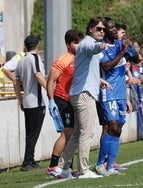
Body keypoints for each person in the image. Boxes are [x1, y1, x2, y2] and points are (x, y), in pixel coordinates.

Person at [59, 17, 108, 179]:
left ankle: (64, 167)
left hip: (80, 92)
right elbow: (91, 47)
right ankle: (83, 170)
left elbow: (86, 68)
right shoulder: (88, 43)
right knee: (87, 133)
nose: (102, 31)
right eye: (98, 29)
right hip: (84, 94)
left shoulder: (89, 44)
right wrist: (100, 46)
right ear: (90, 30)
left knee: (78, 133)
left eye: (103, 29)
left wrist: (100, 81)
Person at [95, 18, 133, 176]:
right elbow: (106, 66)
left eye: (113, 28)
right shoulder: (101, 48)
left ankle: (110, 166)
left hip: (121, 95)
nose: (112, 31)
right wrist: (123, 52)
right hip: (107, 92)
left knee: (118, 129)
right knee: (111, 126)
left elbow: (136, 59)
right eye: (109, 28)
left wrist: (129, 47)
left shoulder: (119, 45)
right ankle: (99, 164)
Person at [46, 29, 84, 178]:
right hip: (62, 100)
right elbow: (51, 81)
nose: (78, 46)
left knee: (73, 134)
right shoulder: (63, 59)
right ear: (68, 44)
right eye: (75, 43)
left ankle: (67, 166)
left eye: (80, 43)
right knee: (67, 133)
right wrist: (51, 100)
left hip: (74, 100)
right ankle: (53, 166)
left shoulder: (80, 58)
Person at [14, 35, 47, 171]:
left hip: (27, 100)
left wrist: (20, 99)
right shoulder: (35, 58)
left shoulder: (21, 61)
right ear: (37, 45)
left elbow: (16, 82)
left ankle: (30, 160)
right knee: (34, 133)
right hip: (36, 101)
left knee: (30, 133)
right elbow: (38, 75)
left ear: (25, 45)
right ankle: (27, 162)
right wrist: (50, 90)